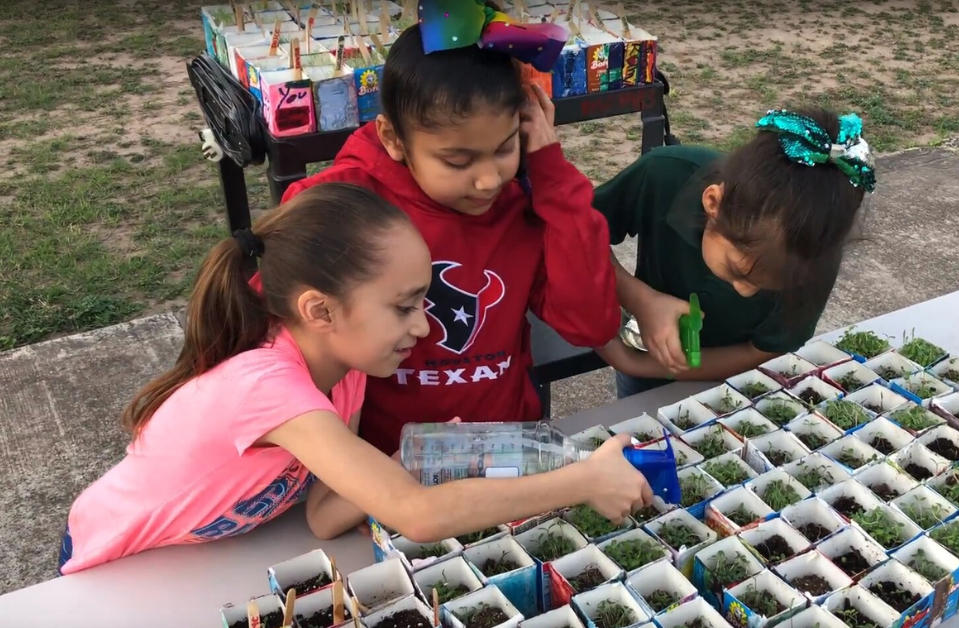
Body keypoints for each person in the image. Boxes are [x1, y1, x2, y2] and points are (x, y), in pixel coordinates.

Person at [58, 184, 649, 575]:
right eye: (404, 306)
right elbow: (415, 515)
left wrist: (405, 461)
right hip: (111, 565)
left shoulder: (346, 374)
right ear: (320, 311)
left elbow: (324, 513)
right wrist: (582, 481)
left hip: (193, 561)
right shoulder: (267, 385)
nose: (424, 326)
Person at [275, 14, 618, 455]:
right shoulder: (348, 206)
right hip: (386, 468)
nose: (487, 181)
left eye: (505, 148)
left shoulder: (526, 202)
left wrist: (550, 170)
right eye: (458, 162)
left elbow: (589, 322)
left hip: (506, 451)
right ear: (393, 139)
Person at [593, 108, 876, 397]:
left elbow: (759, 351)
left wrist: (637, 364)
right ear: (713, 203)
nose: (745, 292)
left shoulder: (815, 257)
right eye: (737, 270)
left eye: (767, 286)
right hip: (647, 357)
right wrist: (639, 299)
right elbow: (577, 235)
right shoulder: (664, 175)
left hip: (735, 385)